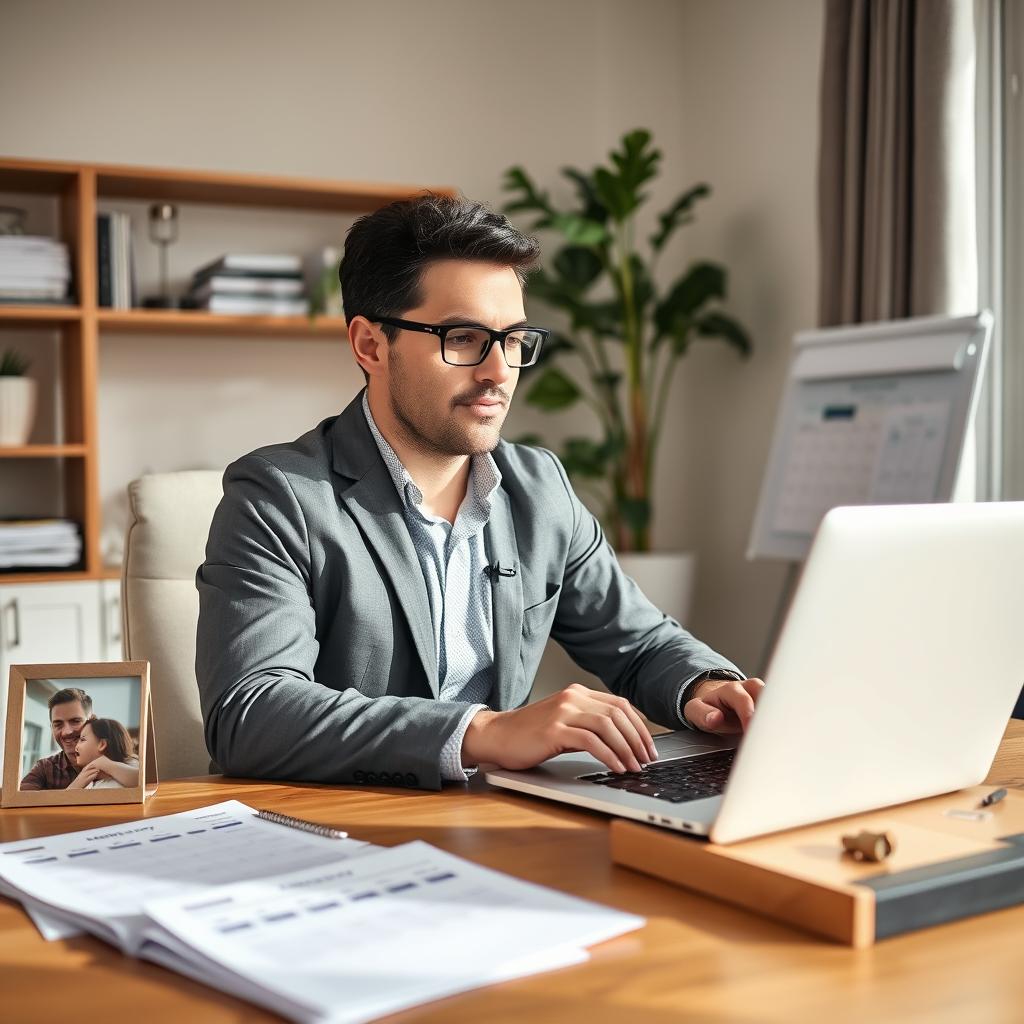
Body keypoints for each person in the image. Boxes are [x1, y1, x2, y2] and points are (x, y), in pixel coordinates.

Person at [196, 194, 764, 791]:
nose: (498, 371)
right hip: (343, 834)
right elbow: (250, 712)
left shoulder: (538, 487)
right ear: (370, 345)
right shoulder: (277, 496)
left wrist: (709, 688)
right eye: (464, 337)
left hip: (500, 822)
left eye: (515, 340)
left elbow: (640, 643)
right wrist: (483, 732)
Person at [19, 687, 93, 790]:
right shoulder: (44, 768)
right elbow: (21, 801)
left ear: (92, 722)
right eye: (58, 724)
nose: (67, 732)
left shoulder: (115, 762)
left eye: (75, 721)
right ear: (52, 728)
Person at [66, 718, 139, 789]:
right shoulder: (87, 782)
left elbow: (140, 779)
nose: (76, 747)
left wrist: (106, 764)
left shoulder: (131, 763)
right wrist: (74, 786)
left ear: (102, 745)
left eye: (82, 739)